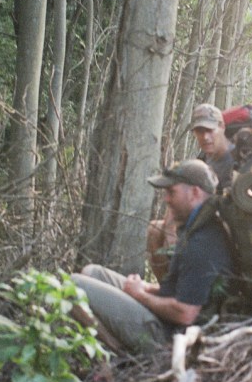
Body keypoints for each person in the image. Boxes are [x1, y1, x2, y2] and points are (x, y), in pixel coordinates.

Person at [74, 159, 233, 355]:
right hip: (168, 321)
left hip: (170, 337)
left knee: (74, 286)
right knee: (92, 272)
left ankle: (121, 356)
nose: (166, 199)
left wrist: (140, 295)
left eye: (171, 192)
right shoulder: (195, 226)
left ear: (195, 193)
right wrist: (147, 288)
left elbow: (185, 313)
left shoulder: (203, 242)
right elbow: (183, 289)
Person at [146, 103, 234, 278]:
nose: (205, 137)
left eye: (210, 130)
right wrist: (171, 228)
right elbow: (177, 190)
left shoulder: (236, 160)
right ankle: (168, 290)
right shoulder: (203, 158)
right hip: (199, 223)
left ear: (222, 127)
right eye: (200, 131)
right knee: (155, 230)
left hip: (222, 230)